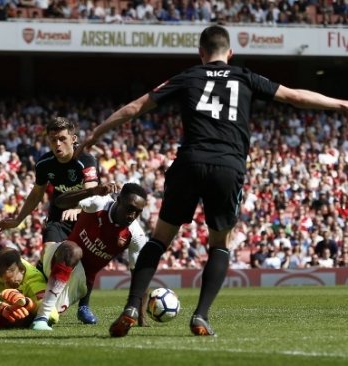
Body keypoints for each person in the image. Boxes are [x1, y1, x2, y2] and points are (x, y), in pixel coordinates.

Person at [75, 25, 348, 337]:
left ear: (200, 53)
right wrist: (342, 104)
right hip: (227, 166)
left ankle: (132, 306)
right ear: (230, 53)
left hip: (189, 161)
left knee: (160, 239)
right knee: (220, 244)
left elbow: (136, 107)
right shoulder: (245, 76)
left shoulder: (188, 76)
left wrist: (97, 133)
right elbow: (295, 97)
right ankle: (201, 316)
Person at [0, 116, 101, 324]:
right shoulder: (44, 163)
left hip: (86, 216)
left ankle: (84, 306)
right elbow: (36, 195)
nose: (57, 144)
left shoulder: (86, 160)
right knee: (49, 254)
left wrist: (77, 207)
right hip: (58, 217)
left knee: (87, 262)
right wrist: (17, 220)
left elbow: (92, 192)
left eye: (62, 138)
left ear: (73, 139)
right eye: (53, 140)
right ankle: (39, 299)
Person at [30, 182, 149, 330]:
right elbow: (59, 202)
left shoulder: (136, 235)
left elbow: (139, 276)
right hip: (59, 256)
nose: (132, 215)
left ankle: (45, 312)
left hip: (78, 284)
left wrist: (141, 316)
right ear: (118, 200)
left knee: (25, 314)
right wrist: (91, 191)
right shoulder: (99, 203)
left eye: (138, 212)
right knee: (73, 250)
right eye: (130, 208)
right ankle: (42, 316)